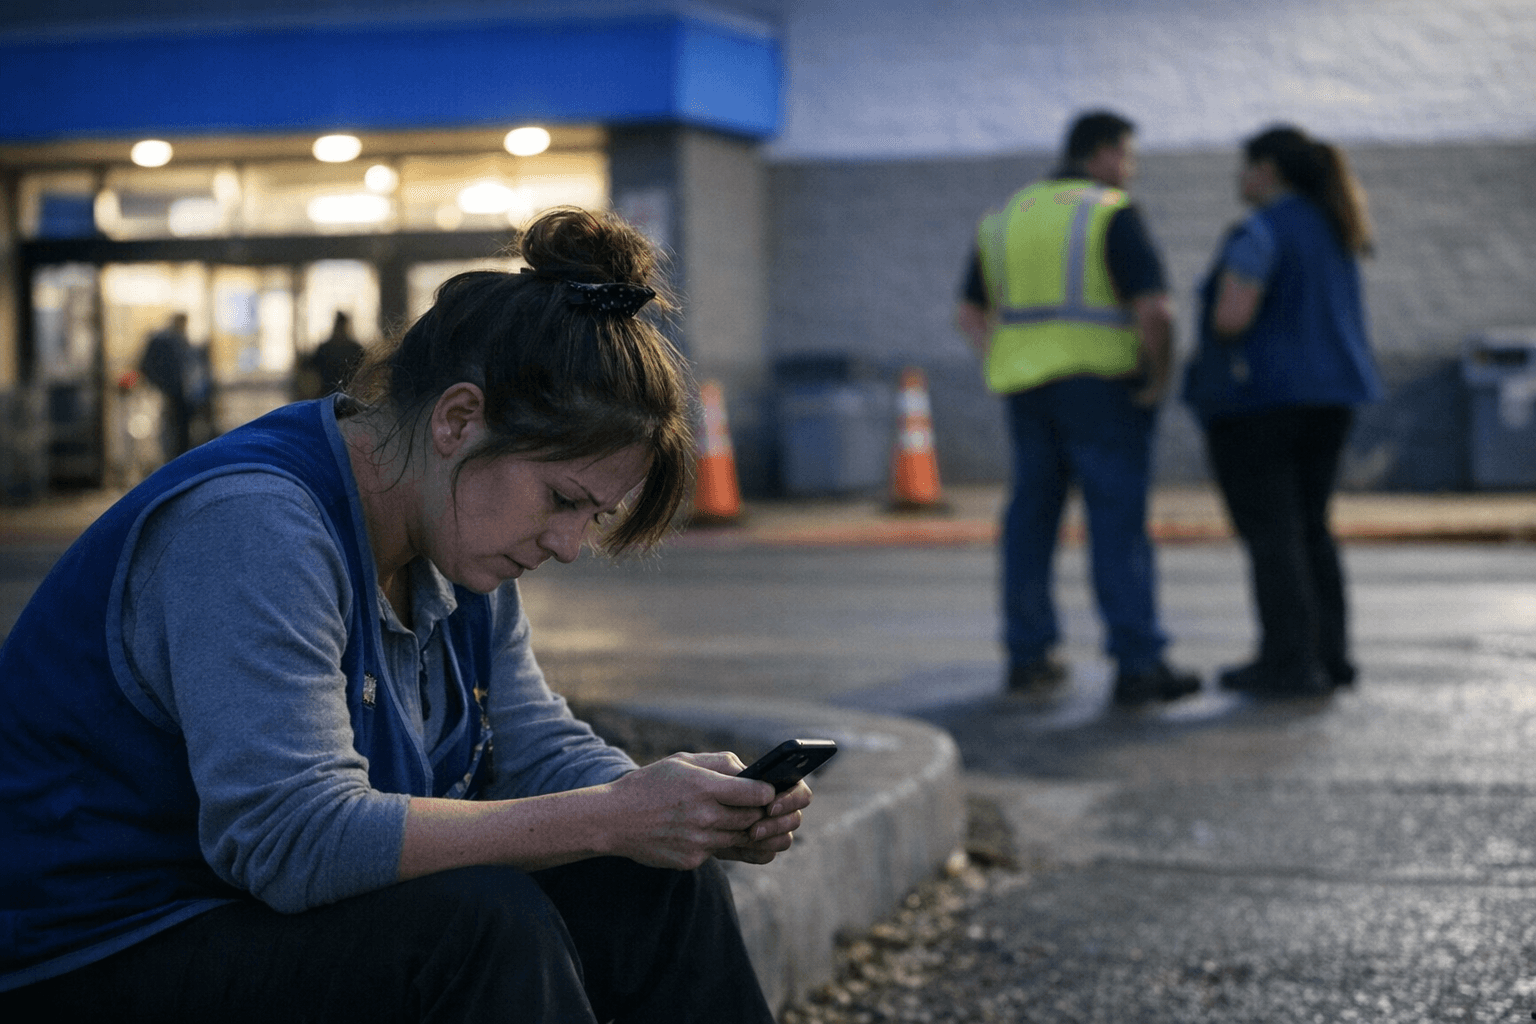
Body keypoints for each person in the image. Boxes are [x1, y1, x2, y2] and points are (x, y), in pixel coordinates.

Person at [0, 208, 809, 1023]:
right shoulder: (253, 523)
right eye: (562, 499)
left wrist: (679, 809)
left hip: (241, 925)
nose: (567, 544)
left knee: (655, 885)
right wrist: (609, 817)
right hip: (93, 951)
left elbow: (532, 754)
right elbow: (292, 840)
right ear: (458, 419)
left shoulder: (456, 536)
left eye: (591, 516)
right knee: (481, 931)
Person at [956, 110, 1200, 706]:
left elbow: (970, 315)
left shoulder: (1006, 216)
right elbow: (1156, 312)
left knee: (1030, 520)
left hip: (1027, 392)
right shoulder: (1109, 212)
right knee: (1116, 523)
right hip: (1104, 389)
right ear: (1102, 154)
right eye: (1129, 157)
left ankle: (1028, 656)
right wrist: (1156, 378)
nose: (1131, 171)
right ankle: (1138, 664)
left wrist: (1010, 361)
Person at [1182, 125, 1382, 697]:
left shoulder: (1260, 231)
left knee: (1273, 534)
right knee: (1312, 527)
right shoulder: (1336, 226)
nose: (1239, 179)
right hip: (1333, 398)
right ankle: (1331, 654)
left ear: (1268, 170)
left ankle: (1288, 661)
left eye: (1246, 167)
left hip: (1261, 402)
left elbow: (1231, 318)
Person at [138, 312, 197, 457]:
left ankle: (175, 457)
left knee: (177, 429)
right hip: (169, 391)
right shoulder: (169, 340)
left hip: (174, 391)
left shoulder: (177, 340)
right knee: (171, 430)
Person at [299, 310, 367, 399]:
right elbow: (309, 367)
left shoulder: (355, 349)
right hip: (329, 395)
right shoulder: (325, 349)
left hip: (348, 396)